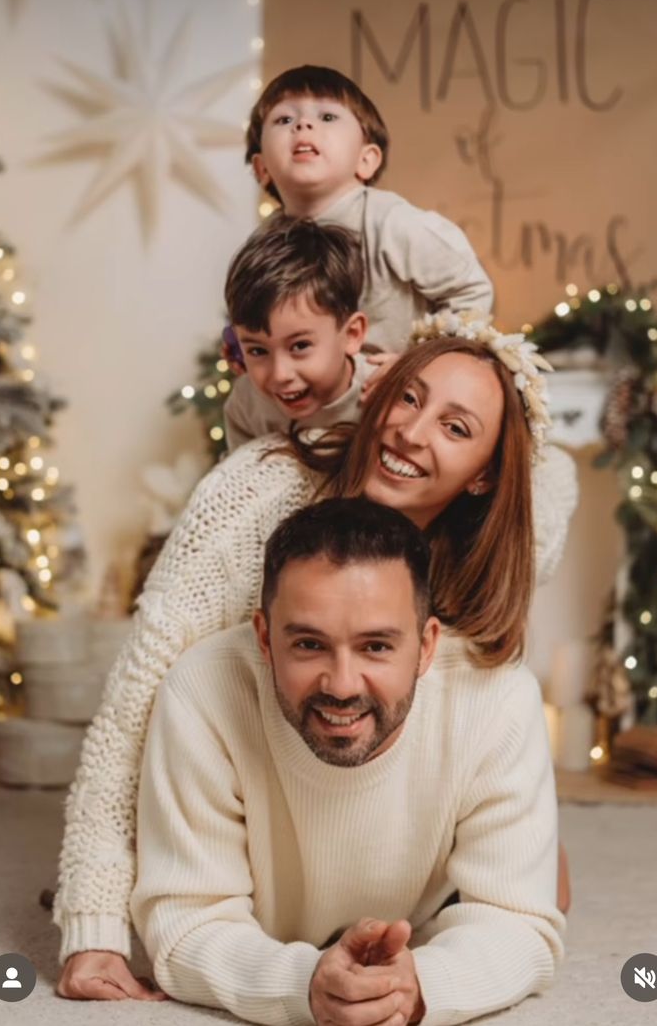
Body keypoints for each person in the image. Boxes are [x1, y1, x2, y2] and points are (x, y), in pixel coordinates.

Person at [55, 330, 577, 1000]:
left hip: (393, 806)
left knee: (543, 884)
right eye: (407, 398)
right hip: (260, 766)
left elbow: (554, 474)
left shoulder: (490, 561)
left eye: (453, 426)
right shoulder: (259, 491)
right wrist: (93, 918)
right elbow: (133, 705)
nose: (413, 433)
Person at [130, 498, 564, 1024]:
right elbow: (184, 924)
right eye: (309, 644)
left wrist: (421, 984)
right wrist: (302, 983)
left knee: (547, 891)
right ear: (265, 638)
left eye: (376, 647)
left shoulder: (498, 698)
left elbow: (517, 924)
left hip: (431, 909)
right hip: (268, 925)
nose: (340, 684)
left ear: (427, 645)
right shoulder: (203, 689)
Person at [243, 64, 494, 358]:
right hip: (311, 392)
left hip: (397, 387)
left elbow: (471, 292)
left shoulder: (393, 223)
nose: (303, 125)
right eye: (284, 119)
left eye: (327, 117)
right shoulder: (264, 242)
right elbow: (255, 311)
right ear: (262, 169)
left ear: (366, 159)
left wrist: (419, 362)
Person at [223, 216, 378, 450]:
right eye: (257, 350)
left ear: (352, 334)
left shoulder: (382, 394)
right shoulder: (245, 404)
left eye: (300, 346)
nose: (280, 374)